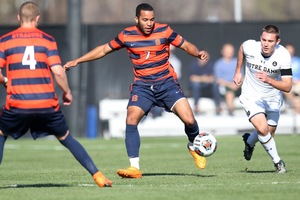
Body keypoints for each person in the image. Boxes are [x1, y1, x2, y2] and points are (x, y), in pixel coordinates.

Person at [64, 3, 209, 178]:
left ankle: (194, 145)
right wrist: (77, 61)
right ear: (137, 19)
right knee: (131, 119)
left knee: (190, 120)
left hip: (167, 84)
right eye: (145, 20)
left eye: (152, 19)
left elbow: (185, 45)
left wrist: (197, 53)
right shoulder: (126, 35)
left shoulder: (164, 31)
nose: (149, 23)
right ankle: (134, 167)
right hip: (143, 87)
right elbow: (103, 50)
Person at [0, 2, 112, 187]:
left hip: (18, 104)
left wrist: (5, 82)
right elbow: (58, 72)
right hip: (47, 103)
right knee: (66, 138)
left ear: (19, 18)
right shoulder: (47, 40)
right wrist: (67, 92)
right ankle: (98, 175)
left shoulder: (5, 40)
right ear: (38, 19)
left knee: (2, 133)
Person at [233, 25, 292, 173]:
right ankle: (278, 163)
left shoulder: (283, 56)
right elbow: (241, 49)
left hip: (272, 98)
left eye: (270, 41)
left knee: (267, 134)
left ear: (277, 42)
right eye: (264, 40)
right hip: (251, 95)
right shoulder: (250, 46)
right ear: (260, 39)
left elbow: (288, 86)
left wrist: (269, 80)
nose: (266, 44)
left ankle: (249, 141)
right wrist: (238, 71)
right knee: (262, 128)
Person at [214, 43, 240, 116]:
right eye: (227, 51)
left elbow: (242, 76)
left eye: (231, 51)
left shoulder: (237, 62)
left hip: (238, 86)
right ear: (223, 52)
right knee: (229, 93)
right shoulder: (218, 64)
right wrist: (230, 85)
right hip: (225, 87)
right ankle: (231, 112)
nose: (229, 53)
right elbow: (218, 80)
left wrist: (236, 85)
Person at [283, 44, 300, 112]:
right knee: (285, 88)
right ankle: (296, 105)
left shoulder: (298, 61)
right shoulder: (282, 62)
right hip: (288, 84)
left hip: (298, 83)